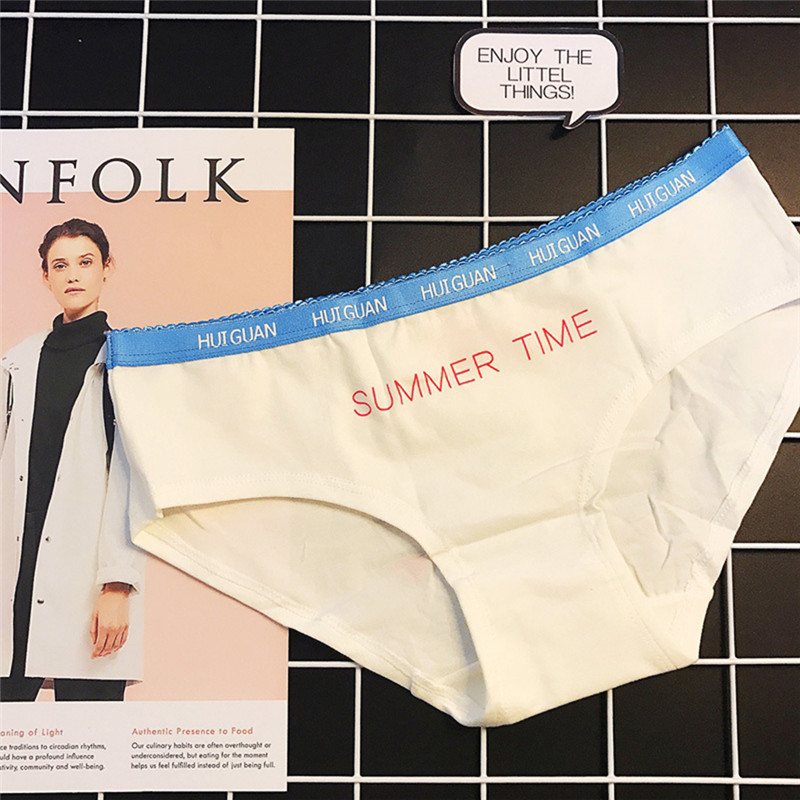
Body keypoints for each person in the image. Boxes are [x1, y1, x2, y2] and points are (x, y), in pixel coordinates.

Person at [0, 218, 143, 702]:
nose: (73, 275)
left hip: (88, 573)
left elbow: (135, 481)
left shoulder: (127, 362)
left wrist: (118, 584)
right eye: (59, 265)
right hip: (15, 568)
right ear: (45, 277)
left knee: (89, 733)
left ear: (107, 268)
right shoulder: (17, 362)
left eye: (85, 262)